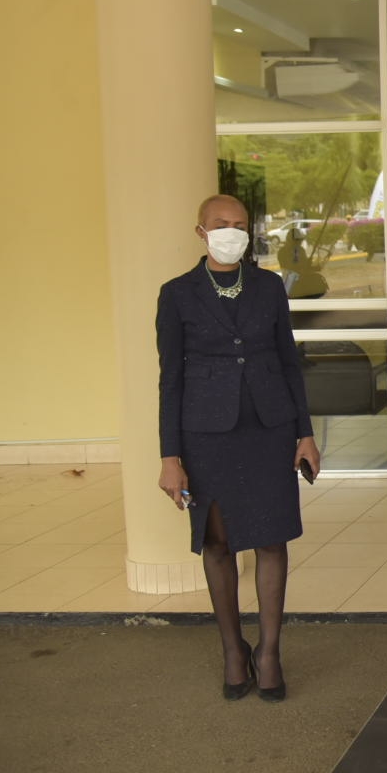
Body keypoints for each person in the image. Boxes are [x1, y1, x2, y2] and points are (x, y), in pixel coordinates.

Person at [156, 194, 320, 703]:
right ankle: (233, 648)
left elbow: (289, 362)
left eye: (241, 225)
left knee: (272, 540)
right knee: (219, 543)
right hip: (207, 435)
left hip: (269, 430)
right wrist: (169, 457)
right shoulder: (177, 294)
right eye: (221, 225)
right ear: (201, 231)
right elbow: (171, 380)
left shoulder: (269, 286)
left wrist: (305, 433)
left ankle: (269, 651)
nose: (232, 232)